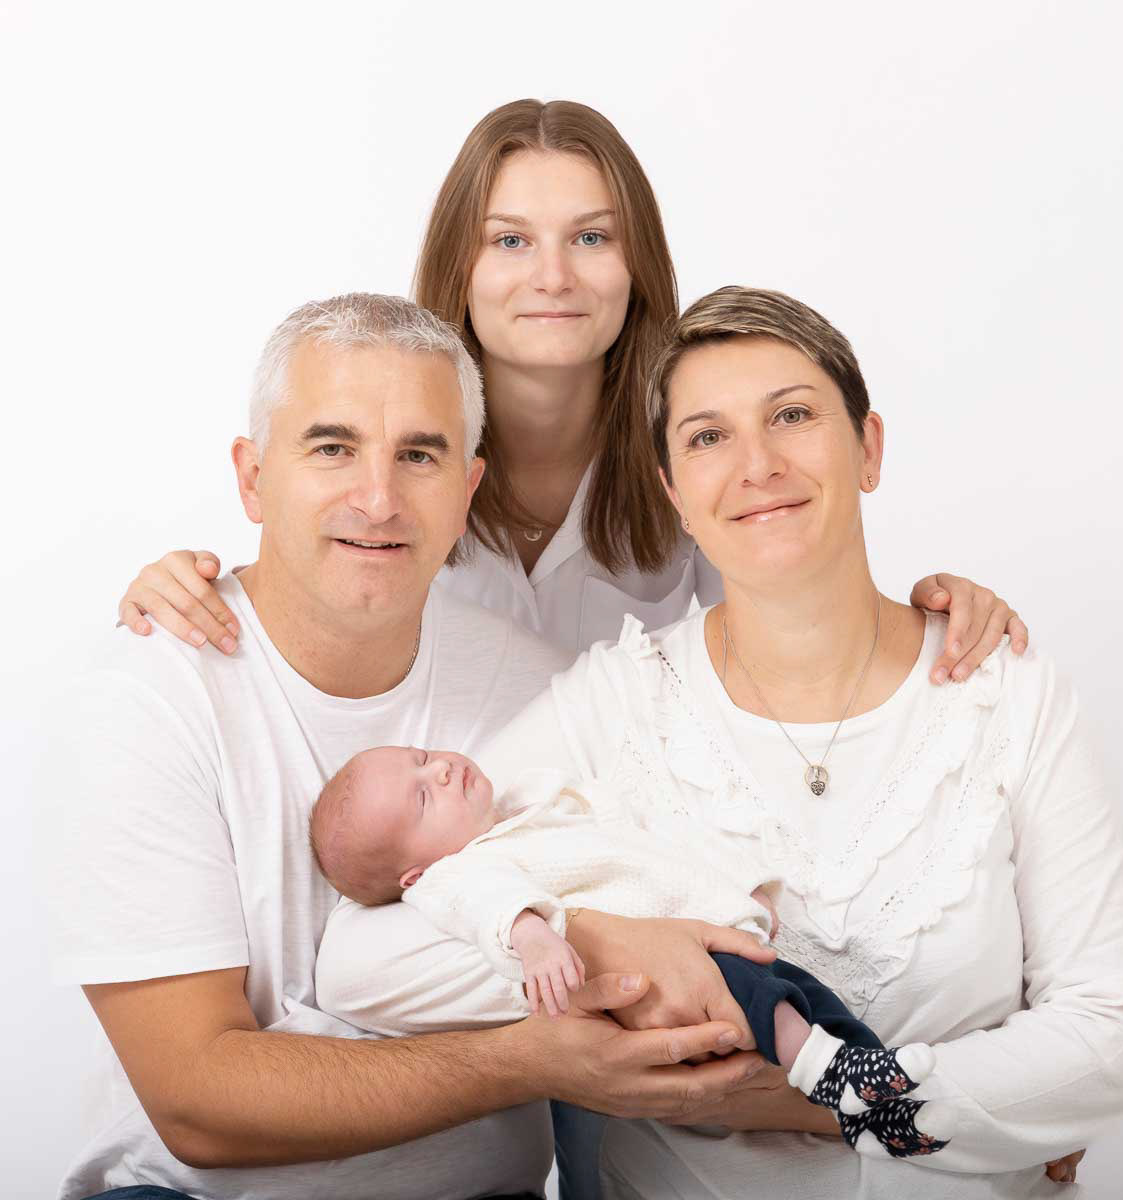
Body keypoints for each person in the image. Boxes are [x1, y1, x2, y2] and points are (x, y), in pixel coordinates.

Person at [316, 286, 1123, 1199]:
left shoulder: (1007, 693)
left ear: (869, 448)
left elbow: (1117, 1035)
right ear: (674, 494)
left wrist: (804, 1104)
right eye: (708, 437)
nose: (757, 464)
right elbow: (360, 963)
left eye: (792, 416)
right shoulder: (616, 701)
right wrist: (606, 942)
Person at [47, 294, 783, 1200]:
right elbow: (196, 1104)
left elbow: (746, 740)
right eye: (332, 447)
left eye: (420, 455)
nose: (378, 498)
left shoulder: (539, 685)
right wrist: (531, 1061)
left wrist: (923, 628)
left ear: (468, 489)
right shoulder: (150, 695)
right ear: (252, 477)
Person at [112, 99, 1025, 673]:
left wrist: (931, 619)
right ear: (461, 265)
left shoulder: (702, 443)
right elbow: (301, 597)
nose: (552, 277)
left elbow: (795, 627)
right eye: (510, 239)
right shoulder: (387, 451)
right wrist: (186, 590)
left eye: (591, 237)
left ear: (636, 265)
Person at [308, 744, 957, 1160]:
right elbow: (489, 909)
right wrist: (535, 938)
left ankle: (875, 1099)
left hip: (715, 937)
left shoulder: (538, 803)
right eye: (424, 796)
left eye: (423, 757)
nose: (441, 770)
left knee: (813, 998)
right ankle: (831, 1072)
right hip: (676, 975)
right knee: (775, 1005)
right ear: (415, 873)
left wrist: (744, 881)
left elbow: (656, 841)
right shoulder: (458, 874)